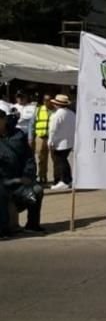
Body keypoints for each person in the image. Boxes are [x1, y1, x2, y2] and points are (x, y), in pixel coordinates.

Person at [0, 101, 45, 237]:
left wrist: (28, 176)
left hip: (17, 182)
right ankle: (2, 229)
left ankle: (32, 225)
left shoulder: (18, 136)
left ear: (6, 119)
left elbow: (29, 159)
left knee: (37, 190)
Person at [48, 94, 76, 191]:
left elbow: (53, 129)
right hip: (69, 141)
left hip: (59, 142)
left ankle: (63, 180)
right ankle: (68, 179)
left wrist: (50, 141)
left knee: (60, 161)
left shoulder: (57, 115)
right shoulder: (72, 114)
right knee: (64, 160)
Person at [33, 94, 52, 185]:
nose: (47, 101)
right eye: (45, 100)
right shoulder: (39, 109)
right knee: (41, 157)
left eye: (48, 100)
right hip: (40, 137)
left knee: (49, 158)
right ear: (43, 101)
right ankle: (41, 176)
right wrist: (31, 136)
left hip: (50, 137)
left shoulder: (53, 110)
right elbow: (33, 122)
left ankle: (45, 176)